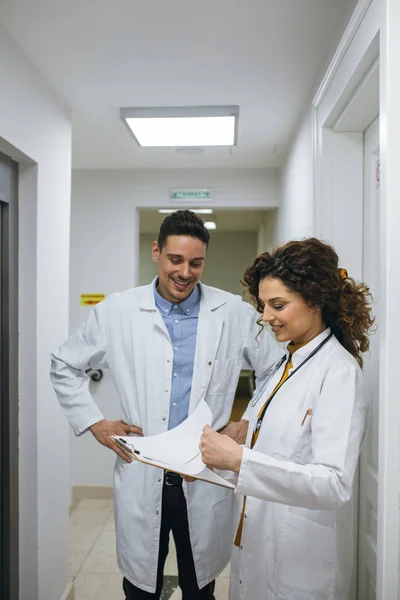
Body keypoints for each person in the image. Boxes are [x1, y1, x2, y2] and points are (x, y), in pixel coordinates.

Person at [50, 210, 281, 599]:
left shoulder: (234, 313)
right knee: (140, 587)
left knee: (200, 586)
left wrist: (247, 420)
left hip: (203, 473)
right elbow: (64, 364)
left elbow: (275, 368)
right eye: (175, 260)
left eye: (196, 262)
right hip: (143, 470)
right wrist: (95, 423)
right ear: (157, 252)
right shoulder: (117, 312)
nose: (185, 272)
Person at [200, 237, 374, 600]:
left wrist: (239, 459)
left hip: (302, 559)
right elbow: (275, 437)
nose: (265, 317)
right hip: (260, 537)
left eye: (277, 305)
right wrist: (240, 436)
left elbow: (334, 483)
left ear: (315, 301)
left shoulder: (337, 373)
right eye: (263, 305)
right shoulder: (288, 360)